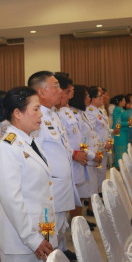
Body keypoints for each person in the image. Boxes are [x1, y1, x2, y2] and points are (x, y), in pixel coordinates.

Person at [0, 86, 56, 262]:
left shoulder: (29, 142)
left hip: (40, 232)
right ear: (17, 113)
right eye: (35, 109)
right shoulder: (7, 148)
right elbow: (12, 199)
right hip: (20, 244)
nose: (41, 114)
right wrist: (32, 239)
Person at [28, 71, 79, 261]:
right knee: (50, 235)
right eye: (55, 85)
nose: (60, 90)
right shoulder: (37, 118)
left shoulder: (52, 114)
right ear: (41, 92)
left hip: (61, 186)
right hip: (51, 188)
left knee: (59, 229)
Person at [54, 76, 88, 220]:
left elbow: (77, 135)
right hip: (69, 160)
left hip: (77, 158)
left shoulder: (67, 110)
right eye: (69, 91)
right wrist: (74, 154)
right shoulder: (55, 114)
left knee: (77, 194)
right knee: (66, 201)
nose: (72, 94)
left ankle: (77, 223)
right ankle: (73, 224)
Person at [68, 85, 101, 228]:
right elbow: (80, 142)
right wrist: (92, 155)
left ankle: (81, 219)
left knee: (85, 191)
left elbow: (91, 134)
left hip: (88, 158)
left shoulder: (82, 113)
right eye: (86, 95)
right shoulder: (74, 114)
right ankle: (77, 223)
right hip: (83, 159)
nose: (89, 98)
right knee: (79, 193)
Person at [86, 86, 112, 193]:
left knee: (101, 173)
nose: (102, 98)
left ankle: (100, 193)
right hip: (97, 149)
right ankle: (95, 197)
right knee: (97, 174)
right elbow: (90, 132)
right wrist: (102, 143)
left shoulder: (98, 110)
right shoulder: (90, 111)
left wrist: (108, 142)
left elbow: (104, 129)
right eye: (99, 96)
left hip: (103, 148)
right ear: (92, 98)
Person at [111, 94, 128, 166]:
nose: (125, 102)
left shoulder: (122, 109)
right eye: (123, 100)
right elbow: (118, 121)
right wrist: (129, 123)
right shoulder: (117, 109)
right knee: (120, 151)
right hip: (119, 133)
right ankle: (119, 168)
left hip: (124, 132)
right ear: (119, 101)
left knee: (124, 150)